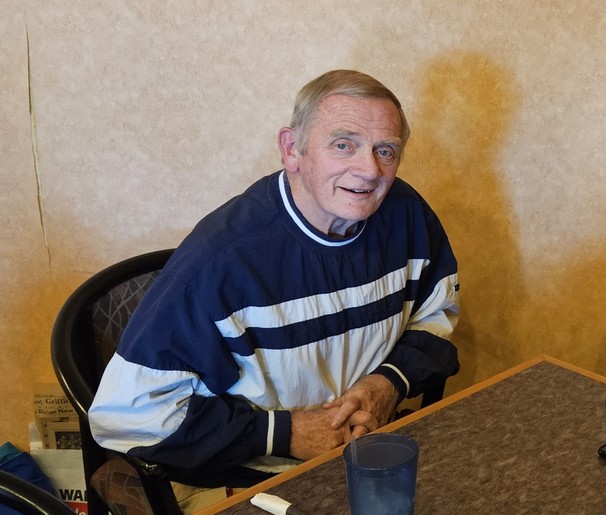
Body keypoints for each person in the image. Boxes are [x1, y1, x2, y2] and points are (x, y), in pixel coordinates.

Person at [89, 70, 460, 508]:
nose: (369, 170)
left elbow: (436, 315)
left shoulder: (408, 215)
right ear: (292, 149)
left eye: (386, 151)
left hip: (365, 454)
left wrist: (388, 383)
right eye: (344, 145)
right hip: (250, 477)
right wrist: (285, 433)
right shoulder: (219, 261)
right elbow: (125, 416)